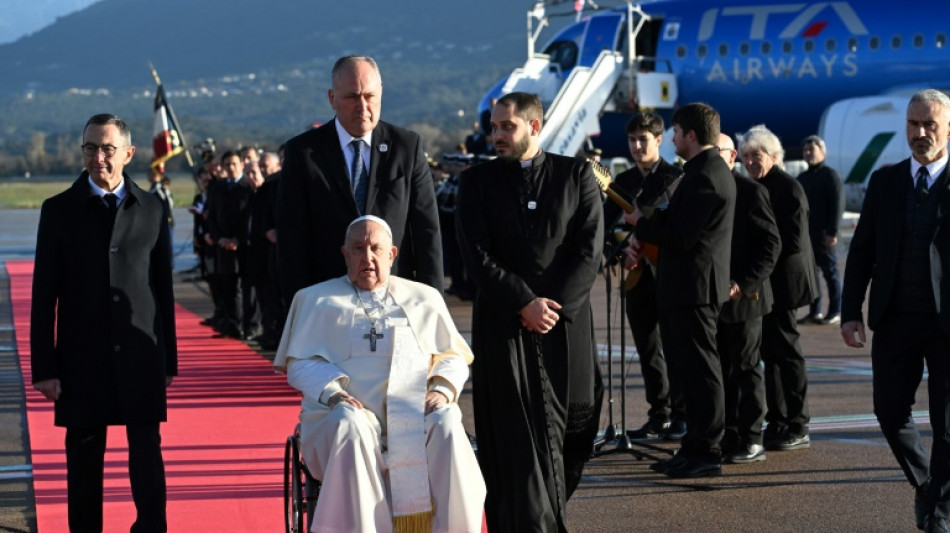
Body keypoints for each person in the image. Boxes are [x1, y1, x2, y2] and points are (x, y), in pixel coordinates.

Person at [274, 215, 485, 533]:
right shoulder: (314, 299)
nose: (367, 257)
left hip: (417, 414)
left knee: (447, 424)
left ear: (392, 254)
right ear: (345, 253)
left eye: (376, 248)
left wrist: (441, 389)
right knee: (352, 425)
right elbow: (300, 363)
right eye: (358, 248)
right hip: (340, 414)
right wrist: (335, 394)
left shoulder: (424, 298)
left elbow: (453, 356)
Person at [456, 92, 603, 531]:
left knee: (576, 434)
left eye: (507, 127)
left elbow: (588, 250)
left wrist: (549, 308)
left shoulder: (577, 175)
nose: (496, 135)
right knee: (515, 444)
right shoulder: (476, 182)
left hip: (565, 325)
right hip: (504, 325)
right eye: (494, 127)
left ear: (534, 127)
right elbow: (476, 254)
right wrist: (524, 302)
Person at [31, 113, 177, 532]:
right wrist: (45, 368)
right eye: (90, 148)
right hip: (81, 358)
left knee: (147, 457)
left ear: (128, 154)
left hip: (140, 355)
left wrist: (167, 361)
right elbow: (44, 297)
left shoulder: (151, 207)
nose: (98, 157)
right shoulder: (58, 210)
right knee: (83, 459)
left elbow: (162, 289)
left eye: (107, 149)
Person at [841, 89, 950, 533]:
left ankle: (940, 513)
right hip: (895, 318)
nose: (919, 133)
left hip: (946, 325)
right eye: (912, 124)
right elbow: (862, 249)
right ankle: (926, 486)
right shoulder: (885, 183)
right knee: (888, 411)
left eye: (929, 125)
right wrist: (850, 311)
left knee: (945, 427)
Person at [623, 102, 736, 478]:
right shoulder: (702, 171)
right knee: (689, 371)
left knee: (702, 372)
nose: (671, 138)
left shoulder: (705, 175)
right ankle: (693, 446)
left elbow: (682, 235)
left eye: (674, 132)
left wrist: (642, 224)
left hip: (695, 288)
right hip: (687, 287)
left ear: (690, 134)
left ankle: (707, 450)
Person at [278, 55, 443, 304]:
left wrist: (432, 303)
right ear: (332, 98)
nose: (363, 106)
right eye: (352, 97)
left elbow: (426, 231)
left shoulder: (406, 147)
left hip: (395, 298)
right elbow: (292, 238)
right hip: (327, 300)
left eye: (369, 96)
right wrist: (298, 308)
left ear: (381, 94)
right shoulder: (303, 154)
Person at [602, 112, 686, 440]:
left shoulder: (674, 177)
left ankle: (681, 414)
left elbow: (677, 226)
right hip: (636, 275)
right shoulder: (622, 182)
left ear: (659, 140)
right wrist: (621, 250)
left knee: (674, 346)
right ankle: (659, 414)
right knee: (647, 348)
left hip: (668, 273)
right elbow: (607, 228)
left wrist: (645, 232)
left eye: (643, 139)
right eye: (632, 140)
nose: (637, 146)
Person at [738, 125, 818, 452]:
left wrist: (758, 261)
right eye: (745, 157)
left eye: (756, 156)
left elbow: (793, 241)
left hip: (785, 282)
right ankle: (778, 419)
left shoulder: (789, 187)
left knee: (787, 353)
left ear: (774, 156)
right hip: (766, 282)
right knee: (769, 353)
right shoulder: (754, 185)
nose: (750, 162)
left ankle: (799, 423)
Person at [714, 133, 781, 463]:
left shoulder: (751, 191)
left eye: (719, 153)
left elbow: (771, 245)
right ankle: (730, 432)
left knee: (746, 366)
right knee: (724, 367)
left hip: (746, 295)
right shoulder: (707, 190)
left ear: (731, 157)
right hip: (716, 295)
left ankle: (753, 438)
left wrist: (742, 282)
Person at [797, 134, 844, 325]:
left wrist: (832, 231)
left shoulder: (830, 175)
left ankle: (835, 311)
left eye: (812, 149)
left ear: (822, 152)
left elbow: (837, 205)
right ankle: (814, 311)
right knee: (811, 274)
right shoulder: (802, 177)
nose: (808, 153)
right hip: (808, 234)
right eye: (806, 150)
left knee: (830, 273)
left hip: (825, 234)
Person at [206, 150, 253, 339]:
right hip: (223, 246)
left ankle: (245, 325)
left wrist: (238, 240)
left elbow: (249, 218)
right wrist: (220, 239)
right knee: (226, 286)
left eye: (234, 164)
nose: (231, 168)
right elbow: (212, 218)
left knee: (243, 289)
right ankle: (230, 323)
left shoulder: (248, 187)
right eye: (227, 165)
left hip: (243, 247)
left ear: (242, 164)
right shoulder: (217, 188)